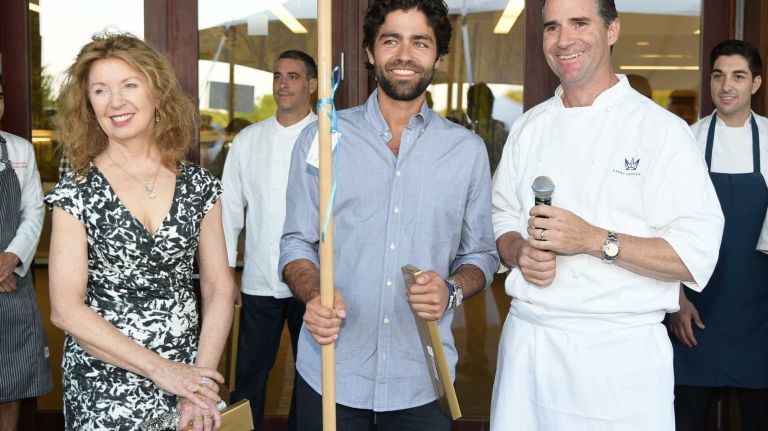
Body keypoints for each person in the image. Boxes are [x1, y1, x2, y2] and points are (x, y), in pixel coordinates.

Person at [490, 0, 724, 429]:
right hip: (530, 349)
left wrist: (593, 240)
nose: (564, 40)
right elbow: (502, 216)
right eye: (552, 27)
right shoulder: (528, 128)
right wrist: (519, 250)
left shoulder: (661, 131)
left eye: (580, 23)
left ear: (613, 30)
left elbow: (695, 254)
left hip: (621, 359)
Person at [278, 1, 499, 429]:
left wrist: (451, 290)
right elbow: (296, 242)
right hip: (331, 372)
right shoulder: (323, 136)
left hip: (421, 380)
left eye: (420, 42)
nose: (404, 55)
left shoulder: (467, 152)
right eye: (391, 40)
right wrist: (312, 293)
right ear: (369, 52)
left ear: (437, 56)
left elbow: (483, 254)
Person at [44, 33, 237, 431]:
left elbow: (219, 288)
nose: (115, 101)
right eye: (100, 90)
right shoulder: (76, 191)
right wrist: (161, 370)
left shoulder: (199, 185)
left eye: (129, 85)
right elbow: (65, 308)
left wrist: (197, 384)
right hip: (102, 387)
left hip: (186, 383)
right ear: (88, 104)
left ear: (156, 92)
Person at [669, 39, 768, 431]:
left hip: (760, 318)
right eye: (718, 75)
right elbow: (662, 231)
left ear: (756, 84)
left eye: (738, 76)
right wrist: (676, 301)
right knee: (687, 419)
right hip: (696, 316)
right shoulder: (686, 142)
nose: (726, 85)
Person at [222, 49, 318, 431]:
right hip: (259, 278)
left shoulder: (330, 138)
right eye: (278, 75)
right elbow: (229, 210)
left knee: (310, 377)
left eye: (293, 76)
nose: (283, 83)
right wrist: (226, 271)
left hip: (313, 280)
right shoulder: (248, 139)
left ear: (312, 85)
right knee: (248, 377)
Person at [0, 74, 53, 431]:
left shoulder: (18, 149)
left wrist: (11, 259)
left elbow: (34, 210)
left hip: (10, 281)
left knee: (12, 381)